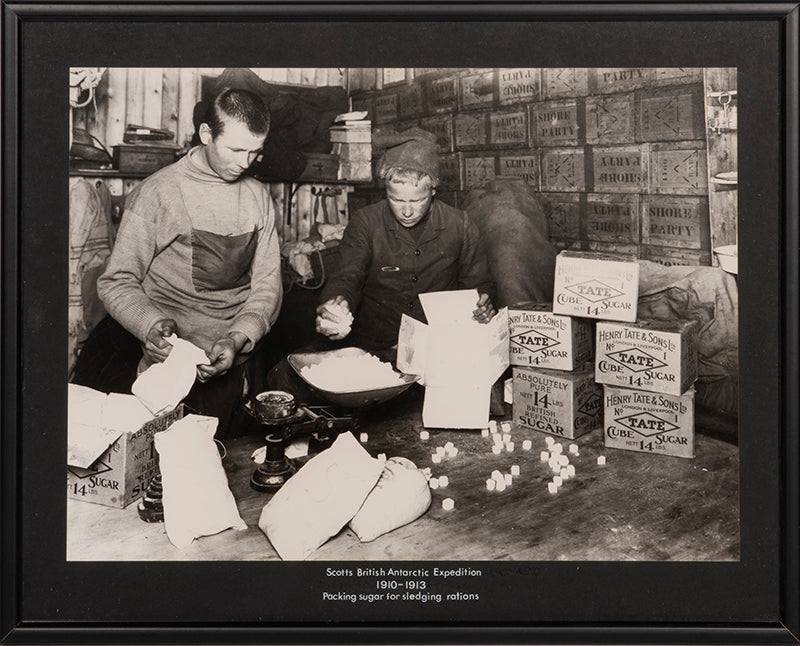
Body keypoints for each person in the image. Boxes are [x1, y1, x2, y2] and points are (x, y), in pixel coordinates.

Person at [73, 87, 283, 437]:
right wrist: (151, 323)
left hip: (235, 359)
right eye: (235, 149)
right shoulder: (159, 192)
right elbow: (117, 280)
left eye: (255, 152)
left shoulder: (258, 197)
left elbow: (267, 285)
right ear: (206, 135)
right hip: (167, 366)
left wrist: (237, 338)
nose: (245, 162)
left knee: (229, 459)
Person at [315, 127, 495, 351]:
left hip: (436, 342)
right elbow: (346, 277)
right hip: (374, 343)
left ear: (433, 190)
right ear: (385, 191)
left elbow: (479, 284)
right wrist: (336, 303)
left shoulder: (460, 224)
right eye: (396, 200)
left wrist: (484, 302)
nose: (407, 212)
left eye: (417, 201)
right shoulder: (365, 222)